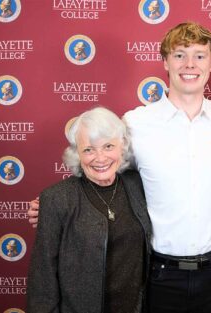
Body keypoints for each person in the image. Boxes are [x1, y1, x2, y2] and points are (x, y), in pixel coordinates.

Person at [28, 22, 211, 313]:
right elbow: (101, 167)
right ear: (165, 61)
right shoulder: (135, 123)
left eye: (200, 56)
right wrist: (56, 206)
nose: (190, 64)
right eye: (179, 55)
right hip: (159, 274)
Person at [27, 107, 152, 313]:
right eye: (88, 149)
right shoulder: (57, 198)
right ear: (76, 154)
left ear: (122, 147)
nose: (100, 158)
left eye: (108, 146)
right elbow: (43, 277)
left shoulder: (138, 186)